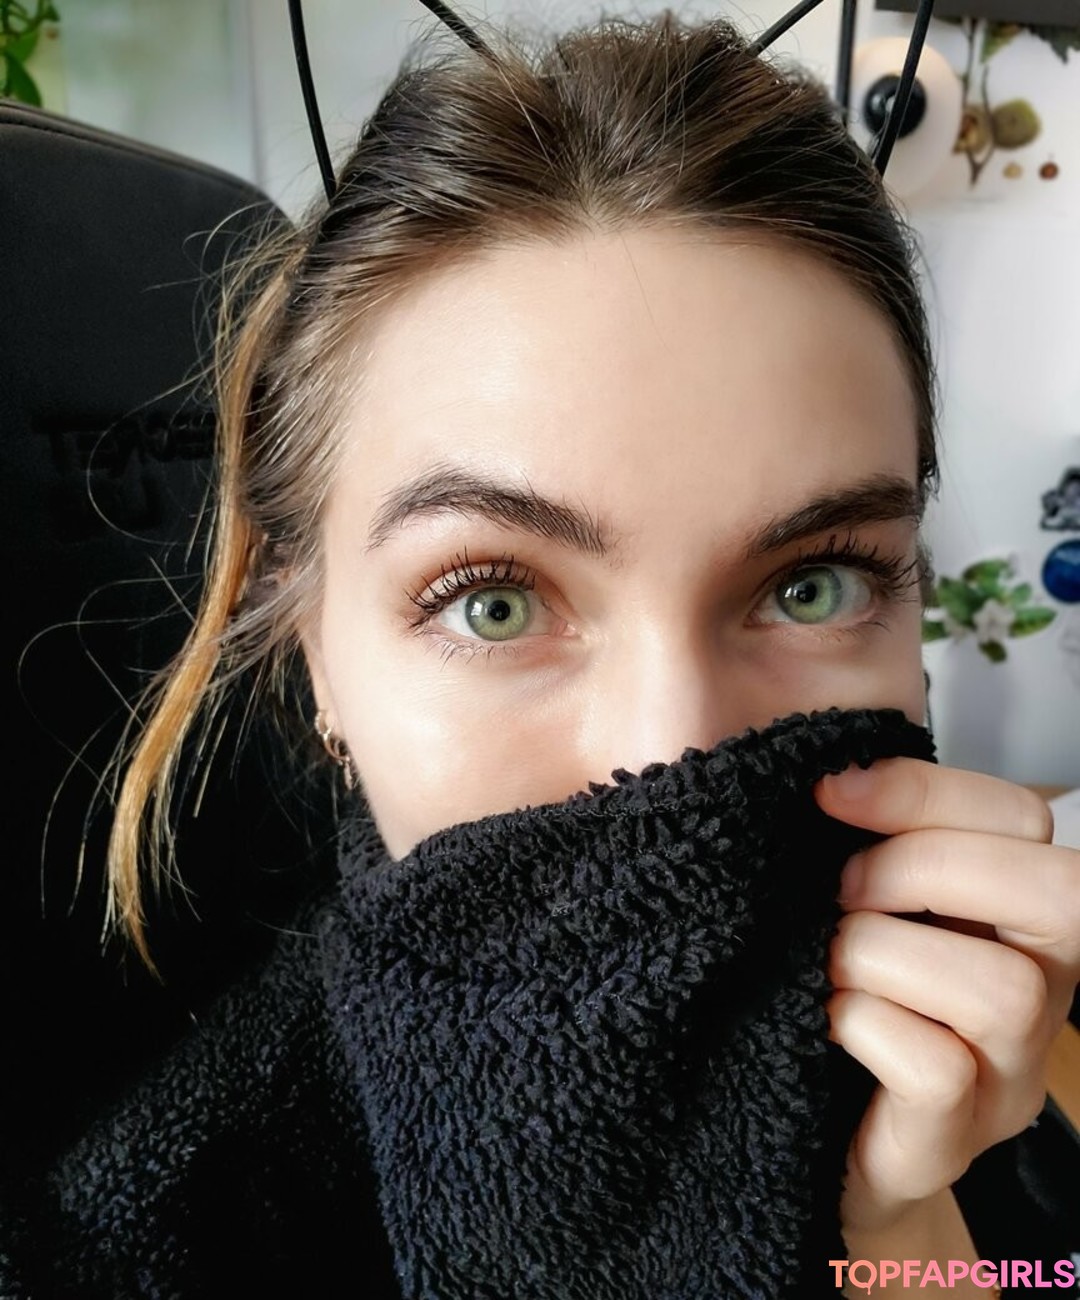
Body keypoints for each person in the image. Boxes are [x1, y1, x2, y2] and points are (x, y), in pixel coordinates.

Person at [6, 10, 1079, 1297]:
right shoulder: (146, 1253)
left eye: (812, 586)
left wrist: (902, 1240)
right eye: (495, 603)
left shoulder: (972, 1074)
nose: (676, 750)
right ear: (317, 654)